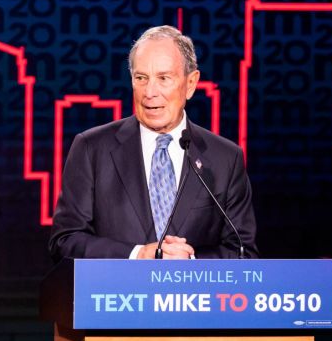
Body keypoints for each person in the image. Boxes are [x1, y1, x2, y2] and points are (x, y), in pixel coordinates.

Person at [50, 25, 257, 261]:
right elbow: (64, 241)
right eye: (141, 78)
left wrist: (190, 262)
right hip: (116, 295)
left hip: (193, 296)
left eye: (163, 78)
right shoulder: (92, 149)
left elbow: (243, 252)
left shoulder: (225, 159)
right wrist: (138, 255)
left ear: (191, 84)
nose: (150, 92)